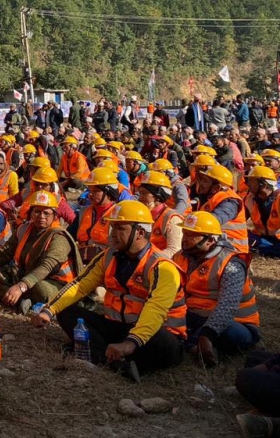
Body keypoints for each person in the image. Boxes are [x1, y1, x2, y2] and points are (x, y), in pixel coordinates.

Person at [33, 200, 186, 381]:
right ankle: (109, 356)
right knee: (66, 312)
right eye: (113, 227)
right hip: (120, 327)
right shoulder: (109, 255)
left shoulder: (162, 267)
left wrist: (131, 342)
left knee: (163, 344)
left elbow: (156, 309)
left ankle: (112, 353)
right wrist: (49, 310)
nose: (112, 234)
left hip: (157, 333)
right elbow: (81, 285)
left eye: (120, 228)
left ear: (140, 233)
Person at [174, 211, 259, 365]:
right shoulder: (180, 256)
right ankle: (197, 345)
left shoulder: (230, 264)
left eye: (192, 235)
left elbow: (228, 306)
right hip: (194, 315)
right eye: (184, 233)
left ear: (210, 240)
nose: (184, 239)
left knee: (230, 335)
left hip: (235, 323)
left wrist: (208, 333)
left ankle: (197, 343)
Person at [0, 190, 81, 313]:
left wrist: (21, 286)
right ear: (31, 213)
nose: (41, 217)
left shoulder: (59, 237)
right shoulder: (23, 229)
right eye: (37, 212)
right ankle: (21, 301)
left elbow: (47, 267)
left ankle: (21, 298)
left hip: (56, 283)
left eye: (46, 213)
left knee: (40, 288)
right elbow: (4, 253)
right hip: (27, 276)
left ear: (54, 216)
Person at [196, 163, 250, 254]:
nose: (200, 183)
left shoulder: (230, 201)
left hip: (233, 249)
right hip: (218, 243)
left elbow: (214, 221)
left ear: (217, 187)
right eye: (201, 180)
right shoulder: (211, 197)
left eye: (205, 181)